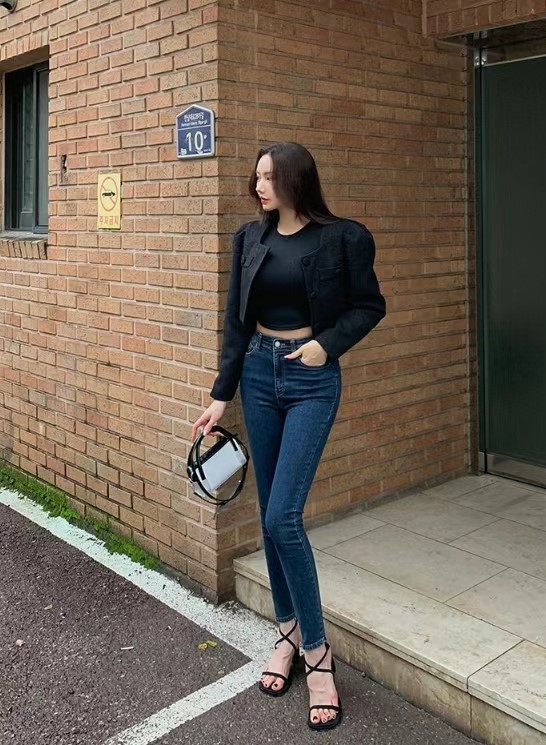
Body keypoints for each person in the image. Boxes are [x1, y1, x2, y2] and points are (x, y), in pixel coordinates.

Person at [191, 142, 386, 731]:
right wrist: (220, 394)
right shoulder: (249, 240)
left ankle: (318, 655)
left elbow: (369, 306)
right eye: (256, 177)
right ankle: (287, 633)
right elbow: (236, 321)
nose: (259, 186)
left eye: (269, 177)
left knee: (283, 517)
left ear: (298, 180)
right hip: (258, 373)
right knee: (269, 515)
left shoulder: (343, 238)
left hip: (311, 378)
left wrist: (327, 344)